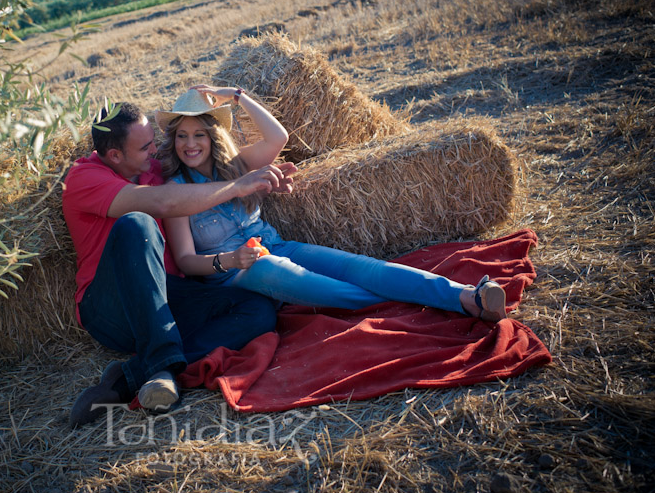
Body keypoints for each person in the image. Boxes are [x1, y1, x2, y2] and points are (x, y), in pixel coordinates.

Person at [156, 85, 508, 321]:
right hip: (238, 272)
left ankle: (464, 294)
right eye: (183, 136)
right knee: (324, 287)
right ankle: (438, 302)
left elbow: (279, 136)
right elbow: (187, 261)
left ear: (213, 135)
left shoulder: (236, 166)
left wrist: (235, 95)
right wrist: (232, 259)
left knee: (363, 268)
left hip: (276, 245)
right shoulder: (175, 190)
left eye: (199, 134)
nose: (190, 144)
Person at [61, 101, 297, 427]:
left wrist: (265, 181)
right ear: (115, 155)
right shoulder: (84, 178)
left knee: (258, 311)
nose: (155, 150)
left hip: (167, 296)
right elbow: (164, 202)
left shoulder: (153, 169)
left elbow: (221, 166)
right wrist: (237, 187)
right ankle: (159, 365)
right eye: (145, 146)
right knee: (137, 225)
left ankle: (132, 376)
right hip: (110, 307)